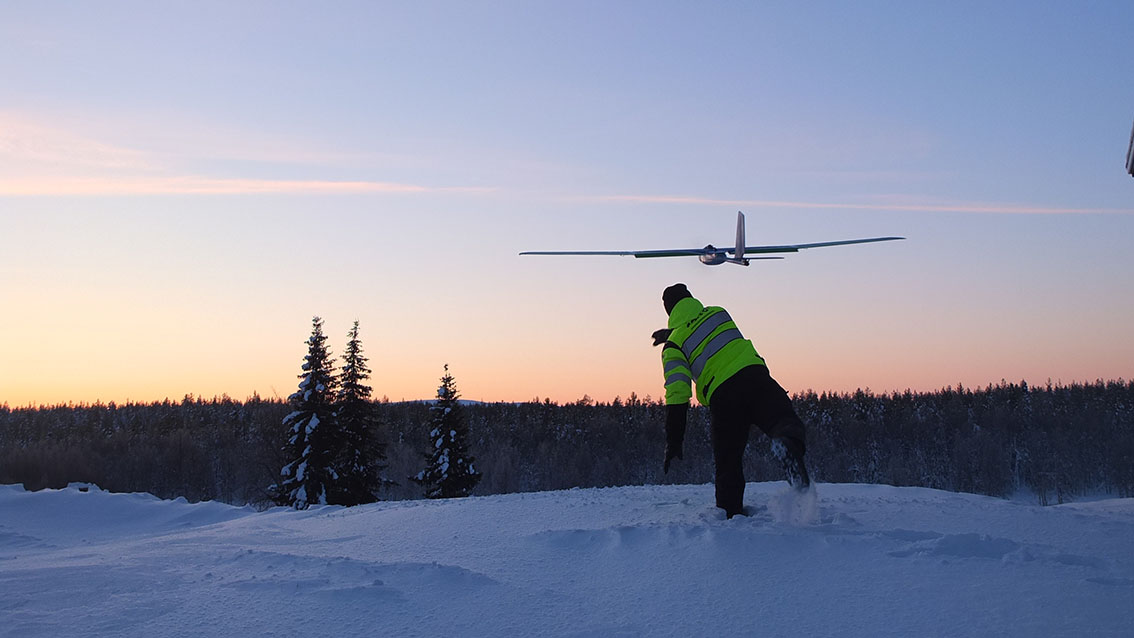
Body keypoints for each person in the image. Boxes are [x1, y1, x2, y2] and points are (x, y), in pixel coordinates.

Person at [653, 283, 810, 518]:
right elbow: (699, 330)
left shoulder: (674, 346)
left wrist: (674, 440)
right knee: (783, 420)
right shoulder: (718, 312)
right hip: (754, 375)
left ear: (668, 311)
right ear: (691, 298)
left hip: (724, 397)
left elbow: (677, 395)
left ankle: (730, 513)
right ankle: (788, 445)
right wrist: (670, 333)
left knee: (728, 461)